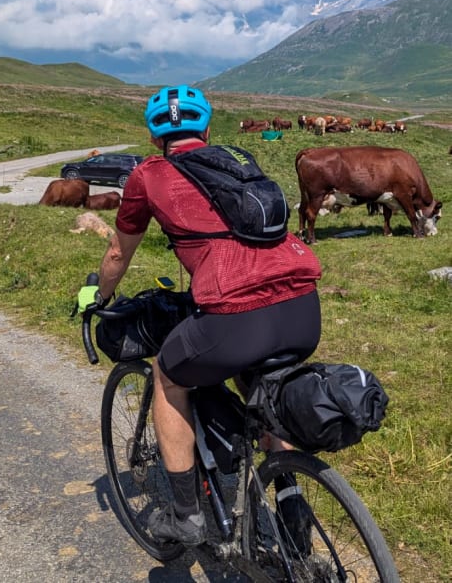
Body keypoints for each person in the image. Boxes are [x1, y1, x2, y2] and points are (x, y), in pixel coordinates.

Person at [78, 85, 322, 546]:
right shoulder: (240, 159)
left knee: (168, 377)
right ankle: (292, 504)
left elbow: (117, 252)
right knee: (264, 391)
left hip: (233, 315)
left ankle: (186, 516)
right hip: (303, 305)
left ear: (154, 139)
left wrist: (98, 297)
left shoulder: (149, 174)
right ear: (207, 130)